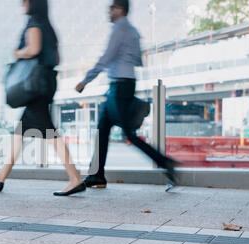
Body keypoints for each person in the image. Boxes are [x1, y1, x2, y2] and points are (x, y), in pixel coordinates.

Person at [0, 0, 86, 197]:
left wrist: (17, 52)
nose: (22, 4)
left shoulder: (35, 24)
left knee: (48, 134)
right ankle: (1, 176)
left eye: (25, 1)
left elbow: (33, 49)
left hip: (36, 86)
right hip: (45, 83)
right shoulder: (48, 26)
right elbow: (56, 58)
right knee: (23, 132)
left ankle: (75, 179)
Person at [75, 0, 178, 191]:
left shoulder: (119, 29)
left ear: (120, 10)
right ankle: (97, 175)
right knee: (103, 128)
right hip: (123, 84)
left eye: (111, 8)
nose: (109, 12)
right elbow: (137, 59)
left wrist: (85, 81)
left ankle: (165, 162)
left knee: (128, 133)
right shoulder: (132, 31)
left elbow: (106, 58)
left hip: (120, 86)